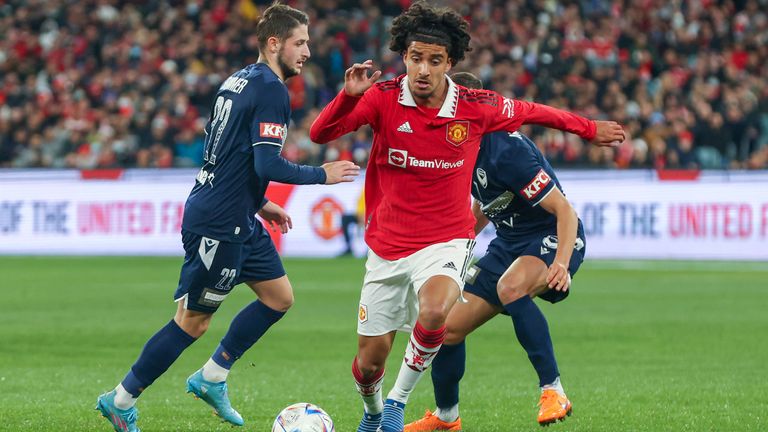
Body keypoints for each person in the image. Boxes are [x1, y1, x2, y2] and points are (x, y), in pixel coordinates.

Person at [308, 3, 624, 431]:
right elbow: (320, 134)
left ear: (450, 65)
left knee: (463, 303)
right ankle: (416, 415)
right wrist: (348, 96)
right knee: (408, 348)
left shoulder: (490, 128)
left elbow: (539, 128)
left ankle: (540, 390)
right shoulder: (385, 99)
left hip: (497, 239)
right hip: (419, 243)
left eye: (435, 61)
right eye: (416, 58)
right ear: (404, 57)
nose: (423, 69)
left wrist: (588, 129)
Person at [95, 4, 359, 431]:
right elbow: (267, 165)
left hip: (239, 215)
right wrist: (321, 175)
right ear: (274, 43)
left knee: (279, 297)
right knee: (193, 322)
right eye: (300, 43)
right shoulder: (272, 90)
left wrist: (258, 203)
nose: (307, 51)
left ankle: (213, 376)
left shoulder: (236, 80)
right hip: (218, 223)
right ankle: (120, 400)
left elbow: (226, 154)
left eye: (307, 43)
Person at [404, 72, 584, 431]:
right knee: (446, 326)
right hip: (508, 243)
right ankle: (446, 417)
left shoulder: (507, 150)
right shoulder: (457, 145)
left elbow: (565, 211)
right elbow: (491, 202)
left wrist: (561, 263)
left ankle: (554, 390)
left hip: (551, 236)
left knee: (511, 286)